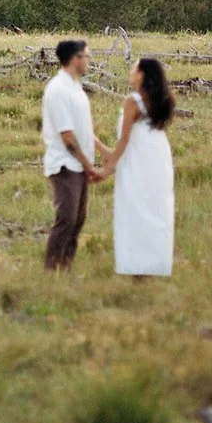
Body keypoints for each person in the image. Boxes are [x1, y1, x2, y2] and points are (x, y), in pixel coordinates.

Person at [100, 56, 176, 277]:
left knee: (134, 208)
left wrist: (108, 167)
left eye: (134, 69)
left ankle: (137, 266)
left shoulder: (132, 101)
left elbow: (124, 140)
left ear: (142, 74)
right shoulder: (160, 100)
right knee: (157, 209)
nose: (130, 72)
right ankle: (156, 264)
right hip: (158, 157)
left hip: (137, 158)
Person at [41, 37, 110, 270]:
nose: (88, 60)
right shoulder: (58, 89)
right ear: (74, 58)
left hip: (79, 164)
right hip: (65, 164)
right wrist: (89, 166)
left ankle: (65, 267)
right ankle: (52, 270)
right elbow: (68, 137)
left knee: (78, 220)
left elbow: (83, 130)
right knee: (67, 218)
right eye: (86, 56)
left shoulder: (76, 87)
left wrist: (103, 150)